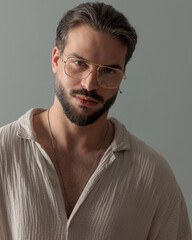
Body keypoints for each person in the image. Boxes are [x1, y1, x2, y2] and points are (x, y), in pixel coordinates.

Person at [0, 2, 191, 240]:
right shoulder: (3, 153)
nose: (90, 84)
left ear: (122, 77)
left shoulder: (154, 176)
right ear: (56, 60)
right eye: (79, 63)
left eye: (109, 71)